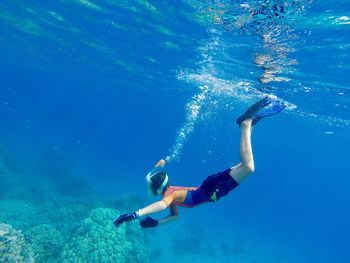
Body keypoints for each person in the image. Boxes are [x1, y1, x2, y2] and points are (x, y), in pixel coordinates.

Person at [114, 96, 285, 229]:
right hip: (211, 188)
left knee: (248, 167)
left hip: (212, 188)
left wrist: (134, 215)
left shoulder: (169, 196)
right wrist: (157, 224)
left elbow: (160, 205)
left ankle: (246, 125)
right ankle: (248, 126)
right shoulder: (170, 195)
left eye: (149, 185)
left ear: (157, 187)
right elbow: (175, 216)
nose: (148, 188)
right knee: (246, 166)